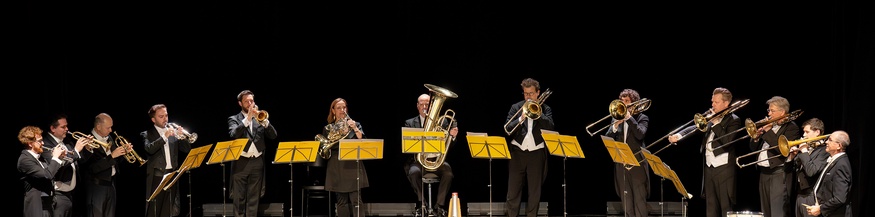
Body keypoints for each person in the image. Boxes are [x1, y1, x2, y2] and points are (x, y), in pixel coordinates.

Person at [668, 87, 742, 217]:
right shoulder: (712, 117)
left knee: (726, 206)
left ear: (726, 104)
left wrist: (716, 123)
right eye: (712, 101)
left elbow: (727, 140)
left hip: (724, 168)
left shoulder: (734, 120)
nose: (712, 105)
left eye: (716, 102)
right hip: (709, 167)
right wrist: (678, 136)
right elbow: (695, 128)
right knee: (711, 207)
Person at [503, 78, 554, 217]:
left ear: (538, 93)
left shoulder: (546, 109)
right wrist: (521, 118)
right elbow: (507, 129)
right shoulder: (516, 107)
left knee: (534, 192)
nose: (528, 97)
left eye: (531, 93)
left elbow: (550, 128)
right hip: (517, 152)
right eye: (526, 94)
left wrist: (538, 113)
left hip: (536, 153)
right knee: (513, 191)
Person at [403, 93, 459, 217]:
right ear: (417, 106)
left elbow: (450, 146)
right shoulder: (410, 123)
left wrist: (452, 136)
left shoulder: (443, 121)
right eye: (421, 104)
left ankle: (438, 206)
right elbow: (407, 146)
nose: (424, 106)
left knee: (448, 173)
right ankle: (422, 204)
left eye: (427, 104)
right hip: (419, 161)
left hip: (437, 161)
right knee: (413, 173)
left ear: (432, 105)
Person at [227, 90, 278, 217]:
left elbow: (273, 136)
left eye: (252, 100)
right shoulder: (234, 119)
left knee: (254, 200)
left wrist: (265, 123)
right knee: (239, 199)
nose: (250, 103)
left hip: (257, 162)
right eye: (246, 101)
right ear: (240, 103)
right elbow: (233, 134)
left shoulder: (259, 117)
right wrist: (248, 118)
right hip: (241, 162)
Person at [748, 96, 800, 217]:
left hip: (779, 174)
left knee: (778, 212)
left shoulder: (791, 127)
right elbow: (753, 148)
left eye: (772, 111)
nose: (769, 113)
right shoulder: (769, 126)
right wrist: (756, 138)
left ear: (782, 112)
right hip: (763, 173)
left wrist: (768, 131)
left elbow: (780, 149)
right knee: (765, 212)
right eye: (768, 111)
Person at [603, 89, 650, 217]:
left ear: (634, 103)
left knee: (639, 203)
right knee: (626, 203)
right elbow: (607, 137)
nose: (623, 104)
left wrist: (629, 118)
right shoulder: (616, 117)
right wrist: (615, 125)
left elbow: (640, 134)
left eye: (627, 101)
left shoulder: (642, 117)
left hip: (637, 164)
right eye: (622, 101)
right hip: (621, 164)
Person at [141, 104, 192, 217]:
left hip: (172, 176)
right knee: (154, 211)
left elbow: (187, 149)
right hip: (157, 177)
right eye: (161, 116)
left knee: (168, 211)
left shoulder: (172, 131)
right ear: (153, 119)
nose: (165, 119)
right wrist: (164, 137)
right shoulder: (147, 134)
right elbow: (149, 149)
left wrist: (181, 137)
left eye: (166, 115)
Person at [321, 98, 369, 217]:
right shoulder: (328, 128)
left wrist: (355, 128)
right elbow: (326, 148)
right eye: (339, 108)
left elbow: (363, 141)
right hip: (336, 165)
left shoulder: (355, 124)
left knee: (356, 200)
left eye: (344, 107)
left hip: (352, 164)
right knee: (341, 201)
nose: (342, 110)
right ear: (333, 111)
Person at [79, 113, 131, 217]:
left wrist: (123, 153)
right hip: (96, 187)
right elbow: (92, 168)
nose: (111, 130)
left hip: (111, 185)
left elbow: (115, 162)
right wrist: (112, 156)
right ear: (98, 127)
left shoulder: (109, 138)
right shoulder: (87, 141)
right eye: (108, 127)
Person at [40, 114, 91, 217]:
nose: (67, 129)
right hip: (57, 194)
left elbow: (80, 161)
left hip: (70, 193)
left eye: (66, 126)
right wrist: (76, 150)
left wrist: (88, 148)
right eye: (63, 127)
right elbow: (59, 165)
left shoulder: (67, 142)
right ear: (53, 128)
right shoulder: (46, 144)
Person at [18, 126, 65, 217]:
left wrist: (59, 158)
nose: (43, 143)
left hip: (47, 204)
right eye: (39, 141)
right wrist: (55, 157)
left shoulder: (40, 158)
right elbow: (47, 175)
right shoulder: (24, 160)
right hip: (37, 206)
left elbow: (52, 172)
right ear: (30, 143)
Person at [788, 118, 829, 217]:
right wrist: (791, 157)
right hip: (799, 195)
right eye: (804, 132)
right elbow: (790, 171)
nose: (804, 135)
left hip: (812, 196)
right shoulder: (805, 149)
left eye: (807, 132)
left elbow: (811, 171)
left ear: (817, 132)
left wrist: (804, 152)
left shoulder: (824, 151)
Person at [806, 131, 852, 217]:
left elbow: (840, 198)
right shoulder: (834, 160)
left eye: (830, 140)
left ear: (839, 146)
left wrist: (821, 209)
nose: (826, 142)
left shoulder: (841, 164)